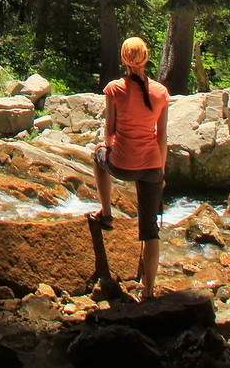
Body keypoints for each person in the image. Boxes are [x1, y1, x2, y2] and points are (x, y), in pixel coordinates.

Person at [90, 36, 170, 300]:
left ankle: (107, 213)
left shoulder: (114, 89)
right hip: (152, 168)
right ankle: (148, 291)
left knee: (98, 155)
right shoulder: (160, 92)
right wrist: (162, 175)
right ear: (146, 60)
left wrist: (114, 148)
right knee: (150, 230)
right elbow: (161, 138)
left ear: (123, 60)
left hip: (123, 166)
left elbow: (109, 132)